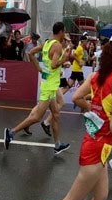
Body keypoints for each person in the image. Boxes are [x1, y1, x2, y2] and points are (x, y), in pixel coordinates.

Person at [18, 31, 112, 200]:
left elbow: (77, 97)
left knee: (100, 196)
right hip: (98, 148)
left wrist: (94, 110)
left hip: (98, 147)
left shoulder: (98, 75)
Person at [4, 22, 71, 155]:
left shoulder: (47, 43)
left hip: (49, 84)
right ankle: (11, 132)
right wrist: (64, 59)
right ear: (61, 31)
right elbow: (53, 65)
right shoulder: (57, 46)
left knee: (56, 115)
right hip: (49, 87)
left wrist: (39, 68)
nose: (65, 34)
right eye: (64, 32)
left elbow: (31, 53)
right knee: (37, 117)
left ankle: (57, 145)